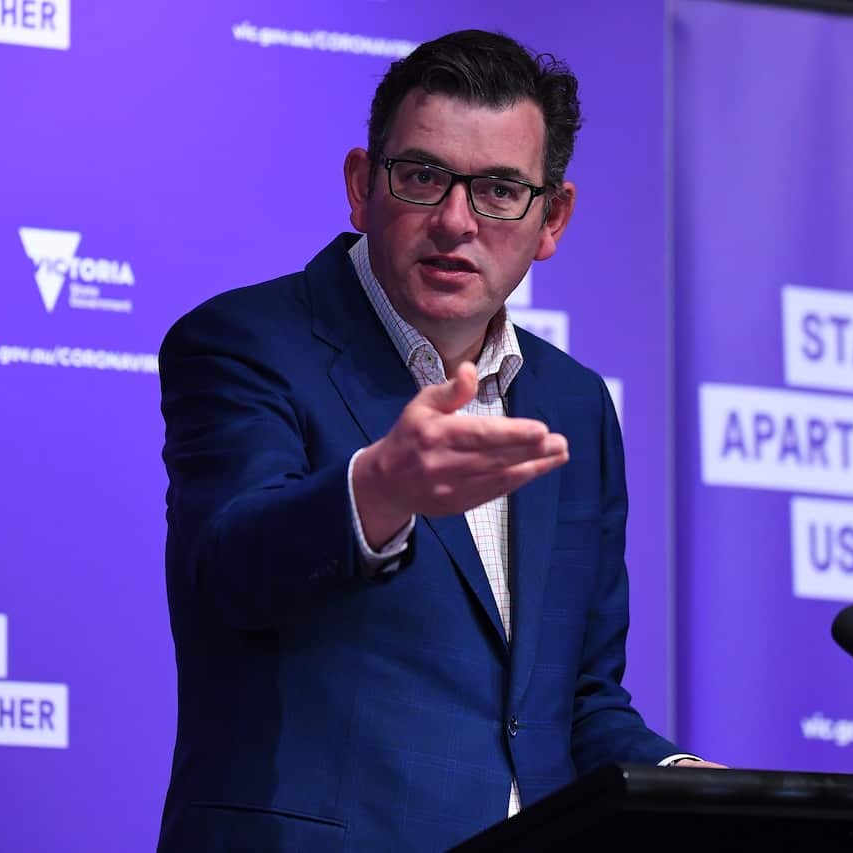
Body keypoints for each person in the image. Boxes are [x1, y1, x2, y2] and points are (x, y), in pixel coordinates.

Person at [156, 29, 718, 853]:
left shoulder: (574, 403)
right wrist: (377, 489)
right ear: (360, 186)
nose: (456, 221)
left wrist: (681, 778)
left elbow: (574, 702)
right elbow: (229, 571)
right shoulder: (245, 342)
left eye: (497, 189)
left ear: (551, 217)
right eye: (422, 176)